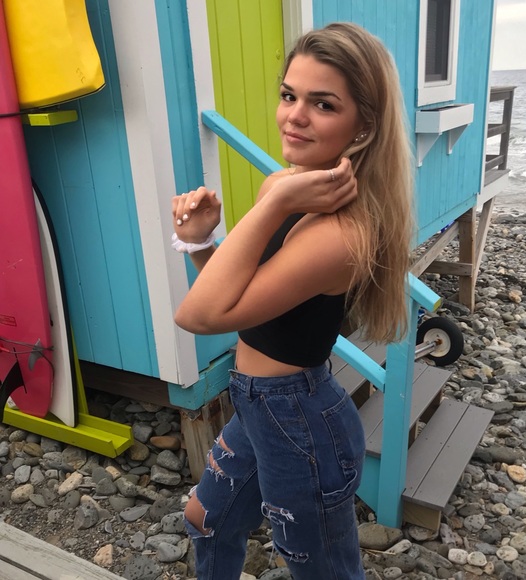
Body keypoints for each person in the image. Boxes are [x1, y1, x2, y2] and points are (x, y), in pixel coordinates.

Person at [170, 22, 412, 580]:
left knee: (318, 569)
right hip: (257, 405)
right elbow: (240, 300)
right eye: (289, 95)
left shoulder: (340, 234)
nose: (294, 116)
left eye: (322, 104)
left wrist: (275, 203)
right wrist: (202, 242)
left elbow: (198, 315)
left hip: (298, 420)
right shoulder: (287, 186)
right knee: (206, 519)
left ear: (364, 124)